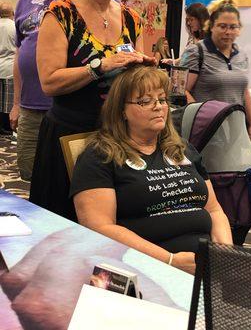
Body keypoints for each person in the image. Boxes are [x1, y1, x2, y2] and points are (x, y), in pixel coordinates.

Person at [29, 0, 156, 221]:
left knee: (108, 224)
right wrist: (99, 66)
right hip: (68, 136)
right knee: (61, 224)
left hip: (115, 137)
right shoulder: (61, 14)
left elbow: (132, 79)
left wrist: (144, 69)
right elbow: (49, 81)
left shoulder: (130, 18)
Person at [70, 65, 233, 275]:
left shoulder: (181, 149)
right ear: (122, 111)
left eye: (162, 99)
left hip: (207, 262)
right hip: (146, 268)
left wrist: (226, 255)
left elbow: (213, 210)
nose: (158, 107)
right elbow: (100, 229)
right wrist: (169, 260)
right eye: (145, 101)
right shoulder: (100, 156)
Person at [10, 0, 83, 181]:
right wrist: (17, 103)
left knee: (69, 179)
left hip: (69, 108)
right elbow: (21, 50)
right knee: (29, 173)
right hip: (30, 108)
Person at [182, 0, 251, 143]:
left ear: (239, 29)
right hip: (206, 132)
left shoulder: (241, 55)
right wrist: (202, 118)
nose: (228, 32)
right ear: (211, 26)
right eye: (222, 26)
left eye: (233, 27)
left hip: (236, 131)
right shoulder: (197, 52)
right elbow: (182, 91)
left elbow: (244, 91)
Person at [162, 3, 209, 102]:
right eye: (187, 20)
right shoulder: (192, 38)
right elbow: (187, 57)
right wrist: (175, 61)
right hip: (186, 85)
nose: (188, 23)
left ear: (201, 19)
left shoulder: (209, 40)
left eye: (191, 20)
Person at [0, 2, 15, 135]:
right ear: (11, 13)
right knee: (8, 101)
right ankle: (7, 127)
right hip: (10, 67)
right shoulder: (14, 26)